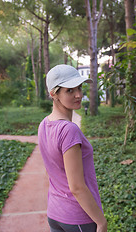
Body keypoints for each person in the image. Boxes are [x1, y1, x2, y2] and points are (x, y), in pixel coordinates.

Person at [38, 64, 107, 232]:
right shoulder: (69, 130)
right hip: (78, 218)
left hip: (55, 213)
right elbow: (76, 186)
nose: (78, 95)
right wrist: (101, 222)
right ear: (54, 94)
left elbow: (52, 172)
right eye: (69, 90)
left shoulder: (44, 124)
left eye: (79, 88)